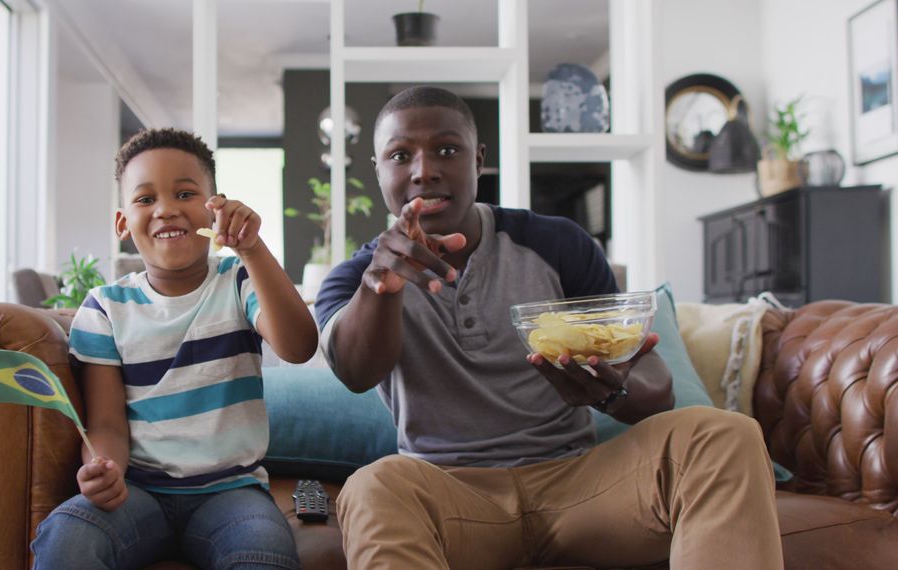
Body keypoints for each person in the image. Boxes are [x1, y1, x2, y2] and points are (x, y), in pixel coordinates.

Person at [314, 86, 782, 569]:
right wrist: (380, 290)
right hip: (450, 495)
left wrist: (610, 390)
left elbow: (655, 389)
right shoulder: (357, 279)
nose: (424, 169)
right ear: (378, 171)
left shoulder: (555, 244)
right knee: (373, 486)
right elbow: (355, 371)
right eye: (400, 155)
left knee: (727, 435)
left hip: (579, 483)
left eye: (447, 150)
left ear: (478, 160)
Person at [32, 128, 317, 570]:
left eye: (185, 193)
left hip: (232, 494)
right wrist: (103, 465)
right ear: (123, 223)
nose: (166, 209)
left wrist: (253, 250)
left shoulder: (239, 281)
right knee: (67, 535)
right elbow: (106, 422)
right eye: (145, 200)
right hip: (138, 493)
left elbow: (299, 347)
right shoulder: (104, 308)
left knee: (263, 554)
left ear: (216, 206)